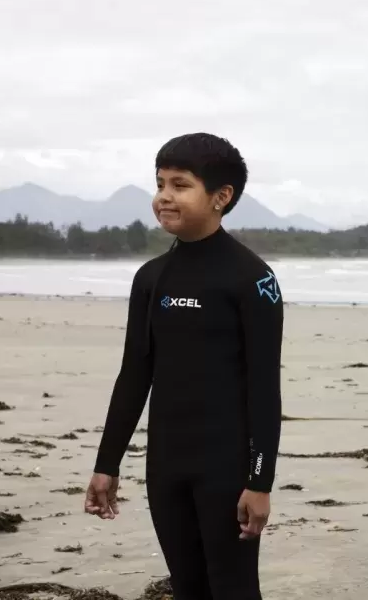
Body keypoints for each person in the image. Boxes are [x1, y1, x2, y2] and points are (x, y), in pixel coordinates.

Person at [84, 133, 284, 600]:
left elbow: (263, 388)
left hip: (227, 468)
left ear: (221, 197)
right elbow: (135, 374)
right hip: (167, 466)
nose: (164, 197)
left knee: (233, 589)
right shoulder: (151, 278)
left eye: (180, 185)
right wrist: (106, 463)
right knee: (188, 588)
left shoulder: (254, 280)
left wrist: (260, 481)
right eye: (160, 184)